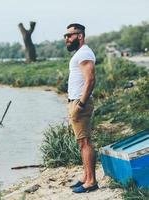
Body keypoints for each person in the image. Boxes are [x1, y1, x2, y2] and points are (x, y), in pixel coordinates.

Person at [64, 23, 98, 193]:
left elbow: (90, 80)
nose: (66, 39)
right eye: (65, 36)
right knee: (82, 142)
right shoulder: (80, 53)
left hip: (80, 103)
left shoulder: (84, 53)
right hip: (76, 102)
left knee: (85, 142)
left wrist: (81, 104)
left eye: (69, 35)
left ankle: (91, 181)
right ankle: (86, 177)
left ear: (80, 35)